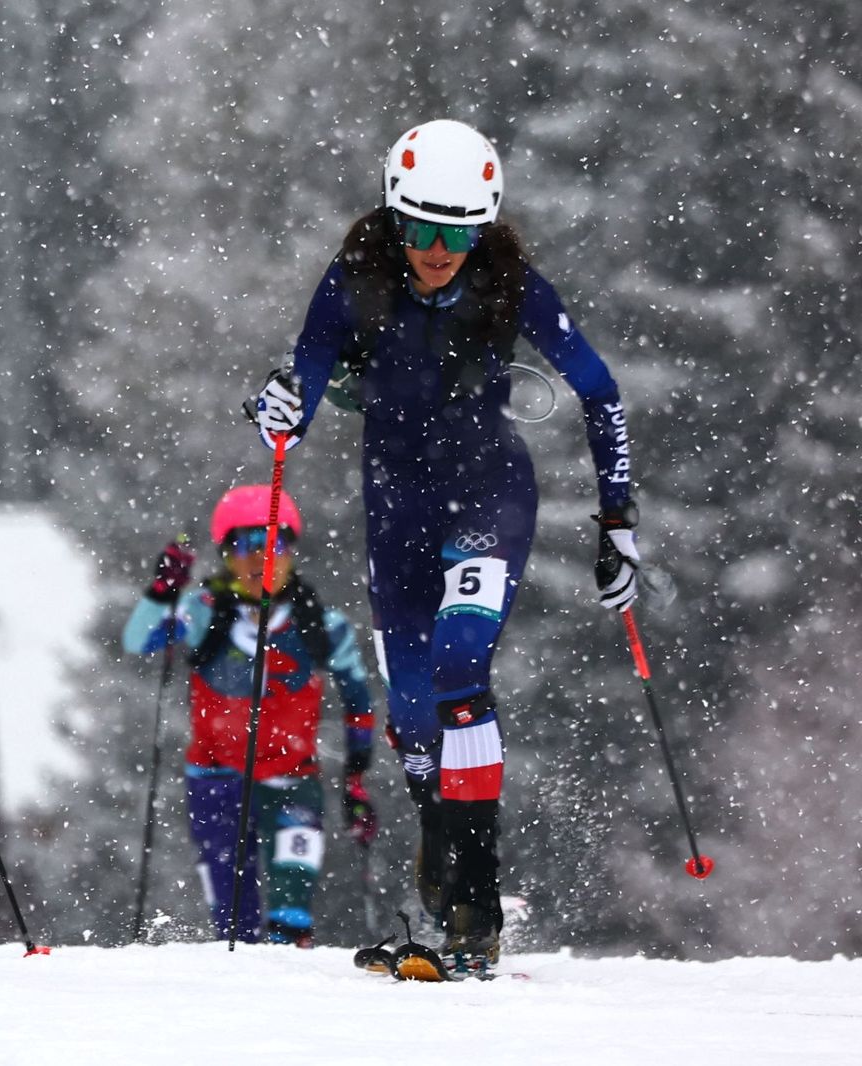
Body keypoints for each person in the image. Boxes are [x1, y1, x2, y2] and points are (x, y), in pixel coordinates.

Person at [247, 119, 640, 969]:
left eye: (458, 234)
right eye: (421, 228)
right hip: (396, 512)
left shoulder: (508, 281)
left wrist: (618, 523)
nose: (437, 250)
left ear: (483, 230)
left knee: (463, 666)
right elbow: (304, 378)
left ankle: (474, 910)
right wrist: (283, 410)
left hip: (489, 495)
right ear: (394, 215)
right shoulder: (356, 275)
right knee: (415, 717)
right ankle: (439, 837)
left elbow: (600, 390)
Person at [122, 486, 377, 947]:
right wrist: (161, 592)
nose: (261, 557)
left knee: (290, 919)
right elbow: (138, 640)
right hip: (217, 780)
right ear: (226, 554)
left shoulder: (323, 624)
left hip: (292, 779)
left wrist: (356, 782)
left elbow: (358, 703)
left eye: (274, 543)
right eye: (245, 545)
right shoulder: (202, 612)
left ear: (291, 551)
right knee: (234, 928)